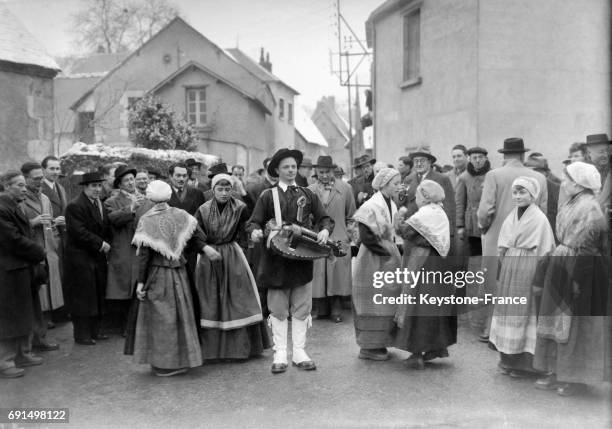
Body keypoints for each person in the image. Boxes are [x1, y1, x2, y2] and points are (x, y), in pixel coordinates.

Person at [248, 148, 333, 374]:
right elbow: (254, 222)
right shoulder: (268, 195)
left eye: (294, 166)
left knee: (302, 306)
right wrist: (255, 232)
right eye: (286, 167)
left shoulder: (308, 193)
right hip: (276, 259)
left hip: (302, 256)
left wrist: (324, 231)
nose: (291, 170)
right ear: (276, 170)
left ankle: (299, 352)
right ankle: (280, 353)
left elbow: (325, 218)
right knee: (277, 307)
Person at [532, 162, 610, 396]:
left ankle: (576, 377)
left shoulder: (589, 207)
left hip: (581, 268)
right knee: (557, 320)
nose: (563, 182)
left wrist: (578, 281)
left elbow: (588, 248)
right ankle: (557, 371)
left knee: (575, 321)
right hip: (564, 261)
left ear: (578, 183)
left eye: (567, 179)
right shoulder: (573, 201)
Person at [477, 138, 548, 342]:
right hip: (528, 238)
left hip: (497, 235)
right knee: (522, 283)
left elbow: (485, 210)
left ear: (504, 155)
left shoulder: (494, 175)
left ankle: (490, 328)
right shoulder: (539, 177)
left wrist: (485, 227)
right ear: (523, 155)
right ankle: (521, 331)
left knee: (494, 282)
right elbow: (543, 211)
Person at [131, 180, 204, 376]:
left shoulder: (146, 220)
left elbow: (144, 256)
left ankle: (162, 363)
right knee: (181, 316)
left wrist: (140, 282)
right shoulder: (181, 215)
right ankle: (184, 358)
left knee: (161, 319)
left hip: (158, 274)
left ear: (149, 197)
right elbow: (197, 236)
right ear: (170, 196)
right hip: (179, 273)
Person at [195, 174, 270, 361]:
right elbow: (194, 234)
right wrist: (204, 248)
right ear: (212, 190)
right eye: (219, 189)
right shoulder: (203, 210)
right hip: (208, 257)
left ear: (232, 190)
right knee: (209, 300)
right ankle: (211, 352)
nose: (223, 193)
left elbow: (248, 225)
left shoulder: (240, 207)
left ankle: (240, 349)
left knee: (238, 298)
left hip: (232, 255)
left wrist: (253, 232)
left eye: (227, 189)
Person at [489, 177, 555, 377]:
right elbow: (503, 243)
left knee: (525, 311)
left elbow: (546, 251)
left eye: (522, 192)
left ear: (532, 195)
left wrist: (538, 279)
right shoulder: (512, 216)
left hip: (528, 266)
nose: (518, 196)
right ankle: (508, 359)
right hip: (510, 265)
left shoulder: (539, 219)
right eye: (515, 192)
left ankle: (526, 364)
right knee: (508, 310)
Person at [394, 180, 456, 370]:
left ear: (427, 196)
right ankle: (433, 348)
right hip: (437, 264)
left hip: (424, 263)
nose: (417, 199)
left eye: (419, 195)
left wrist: (399, 218)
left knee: (417, 306)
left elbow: (407, 231)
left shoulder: (427, 212)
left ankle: (416, 353)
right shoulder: (440, 212)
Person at [352, 168, 402, 361]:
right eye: (395, 184)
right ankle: (368, 347)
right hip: (373, 257)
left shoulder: (391, 203)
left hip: (387, 255)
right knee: (372, 299)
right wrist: (385, 253)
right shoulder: (371, 205)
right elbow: (366, 236)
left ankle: (380, 343)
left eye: (399, 183)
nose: (398, 187)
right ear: (383, 184)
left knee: (386, 299)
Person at [0, 171, 47, 378]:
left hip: (20, 269)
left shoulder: (13, 206)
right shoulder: (2, 209)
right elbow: (13, 239)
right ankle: (5, 361)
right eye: (19, 185)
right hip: (7, 271)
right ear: (6, 186)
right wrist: (39, 251)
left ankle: (22, 353)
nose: (24, 188)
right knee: (10, 317)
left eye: (23, 185)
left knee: (23, 313)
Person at [64, 172, 111, 345]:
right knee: (83, 296)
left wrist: (106, 242)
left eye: (99, 185)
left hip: (95, 256)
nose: (98, 189)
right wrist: (101, 243)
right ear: (85, 187)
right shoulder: (75, 206)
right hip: (80, 258)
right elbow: (79, 232)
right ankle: (82, 334)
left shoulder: (99, 204)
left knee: (97, 293)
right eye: (94, 186)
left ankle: (95, 331)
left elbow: (105, 227)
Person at [104, 166, 152, 335]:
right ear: (119, 184)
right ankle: (125, 327)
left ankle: (138, 325)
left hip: (142, 248)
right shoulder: (111, 201)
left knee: (140, 284)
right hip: (123, 248)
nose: (131, 182)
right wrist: (131, 208)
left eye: (132, 179)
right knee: (124, 288)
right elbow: (112, 219)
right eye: (127, 180)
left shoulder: (145, 198)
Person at [309, 156, 356, 323]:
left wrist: (349, 235)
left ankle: (336, 308)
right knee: (319, 272)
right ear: (316, 171)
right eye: (320, 172)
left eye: (327, 172)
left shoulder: (345, 188)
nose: (324, 175)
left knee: (337, 273)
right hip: (316, 236)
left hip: (338, 235)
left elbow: (351, 215)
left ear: (333, 171)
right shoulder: (310, 189)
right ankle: (321, 307)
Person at [19, 163, 61, 352]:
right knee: (34, 299)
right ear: (25, 179)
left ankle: (40, 337)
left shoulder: (44, 198)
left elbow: (50, 224)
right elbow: (12, 226)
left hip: (47, 252)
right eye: (35, 179)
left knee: (45, 297)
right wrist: (32, 222)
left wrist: (55, 242)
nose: (39, 182)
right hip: (30, 253)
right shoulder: (20, 199)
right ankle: (30, 342)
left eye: (40, 177)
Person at [525, 157, 560, 241]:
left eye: (537, 171)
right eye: (530, 171)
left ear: (547, 173)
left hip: (550, 237)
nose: (533, 175)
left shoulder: (557, 189)